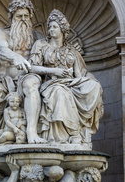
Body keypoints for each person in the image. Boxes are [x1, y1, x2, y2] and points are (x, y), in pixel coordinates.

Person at [0, 0, 46, 144]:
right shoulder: (1, 33)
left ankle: (31, 132)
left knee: (30, 85)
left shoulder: (38, 36)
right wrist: (15, 56)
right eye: (19, 16)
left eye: (26, 16)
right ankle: (1, 132)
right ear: (11, 17)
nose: (23, 20)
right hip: (6, 81)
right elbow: (0, 48)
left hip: (30, 78)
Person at [29, 9, 104, 144]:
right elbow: (32, 67)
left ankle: (82, 130)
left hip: (70, 82)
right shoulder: (40, 45)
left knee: (93, 86)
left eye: (55, 27)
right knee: (61, 92)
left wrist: (84, 83)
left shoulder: (71, 50)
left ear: (62, 29)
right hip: (50, 83)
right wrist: (54, 71)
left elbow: (79, 74)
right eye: (50, 27)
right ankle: (67, 135)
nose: (51, 29)